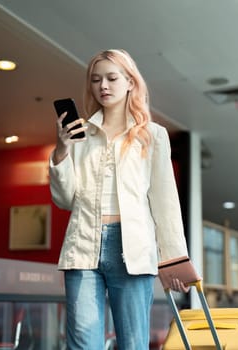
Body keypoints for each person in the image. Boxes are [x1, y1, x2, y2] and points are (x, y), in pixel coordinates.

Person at [49, 49, 189, 350]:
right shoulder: (80, 135)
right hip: (83, 244)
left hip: (132, 249)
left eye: (112, 78)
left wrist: (174, 259)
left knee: (133, 344)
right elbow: (65, 199)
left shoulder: (153, 135)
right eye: (96, 80)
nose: (104, 86)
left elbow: (165, 202)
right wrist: (60, 152)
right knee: (83, 344)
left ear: (130, 82)